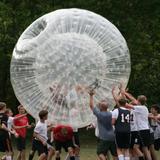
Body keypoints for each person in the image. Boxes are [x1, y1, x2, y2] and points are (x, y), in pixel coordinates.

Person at [121, 90, 152, 160]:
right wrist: (124, 93)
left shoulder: (139, 108)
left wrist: (123, 95)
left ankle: (141, 158)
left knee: (135, 147)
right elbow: (132, 100)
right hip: (146, 130)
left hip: (141, 130)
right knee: (145, 148)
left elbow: (126, 104)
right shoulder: (144, 108)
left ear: (138, 101)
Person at [89, 90, 117, 160]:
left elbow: (91, 106)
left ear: (100, 107)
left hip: (104, 138)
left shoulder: (99, 114)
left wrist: (91, 96)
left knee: (100, 153)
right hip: (112, 137)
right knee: (114, 154)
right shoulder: (111, 113)